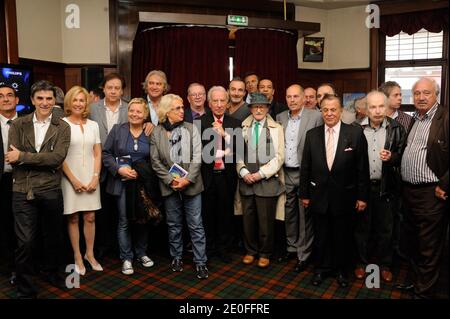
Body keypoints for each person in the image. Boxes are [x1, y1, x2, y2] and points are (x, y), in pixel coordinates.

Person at [6, 80, 71, 298]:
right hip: (22, 190)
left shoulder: (63, 126)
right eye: (40, 98)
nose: (45, 103)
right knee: (25, 242)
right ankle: (26, 287)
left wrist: (24, 156)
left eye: (49, 99)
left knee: (54, 237)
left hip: (51, 188)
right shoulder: (18, 125)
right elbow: (11, 159)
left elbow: (56, 159)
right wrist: (29, 159)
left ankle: (53, 274)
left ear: (55, 101)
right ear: (32, 100)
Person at [299, 93, 369, 288]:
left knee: (342, 235)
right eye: (325, 110)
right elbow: (306, 166)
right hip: (318, 196)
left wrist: (362, 197)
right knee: (321, 236)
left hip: (345, 195)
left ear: (341, 111)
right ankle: (321, 269)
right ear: (321, 111)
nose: (329, 114)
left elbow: (362, 168)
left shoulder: (354, 133)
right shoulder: (312, 135)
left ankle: (341, 271)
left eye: (333, 110)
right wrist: (304, 194)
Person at [397, 77, 448, 299]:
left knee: (429, 245)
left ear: (436, 94)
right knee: (413, 242)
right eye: (417, 93)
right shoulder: (414, 119)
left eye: (426, 93)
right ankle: (417, 282)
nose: (421, 97)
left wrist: (444, 184)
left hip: (432, 192)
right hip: (409, 192)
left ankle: (425, 292)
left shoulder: (444, 117)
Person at [150, 94, 208, 279]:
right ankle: (176, 257)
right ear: (167, 112)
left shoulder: (192, 129)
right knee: (173, 225)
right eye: (177, 108)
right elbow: (155, 161)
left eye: (182, 107)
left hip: (191, 185)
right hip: (170, 186)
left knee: (196, 225)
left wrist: (187, 179)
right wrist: (170, 180)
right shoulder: (157, 132)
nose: (182, 111)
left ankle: (200, 262)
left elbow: (198, 157)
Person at [353, 91, 405, 283]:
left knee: (386, 229)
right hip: (362, 188)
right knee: (361, 228)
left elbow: (402, 156)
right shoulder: (355, 129)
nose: (377, 111)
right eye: (373, 107)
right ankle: (361, 263)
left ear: (386, 107)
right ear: (366, 109)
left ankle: (385, 265)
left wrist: (392, 158)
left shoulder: (397, 128)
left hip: (386, 187)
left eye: (381, 106)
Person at [102, 98, 155, 275]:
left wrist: (142, 171)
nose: (134, 114)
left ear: (145, 114)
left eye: (139, 111)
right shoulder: (118, 130)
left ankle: (141, 253)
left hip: (143, 184)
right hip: (122, 183)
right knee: (124, 220)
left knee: (143, 218)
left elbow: (154, 158)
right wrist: (119, 170)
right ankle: (126, 257)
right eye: (132, 110)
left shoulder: (150, 132)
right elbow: (106, 153)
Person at [276, 84, 323, 272]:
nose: (292, 100)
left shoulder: (316, 117)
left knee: (306, 216)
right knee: (289, 213)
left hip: (306, 174)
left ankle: (304, 255)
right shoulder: (280, 118)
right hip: (285, 172)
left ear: (304, 98)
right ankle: (291, 247)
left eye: (296, 96)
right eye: (289, 96)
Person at [237, 92, 285, 269]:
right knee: (248, 219)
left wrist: (260, 174)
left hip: (267, 182)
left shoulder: (276, 128)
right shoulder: (242, 126)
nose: (258, 109)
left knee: (266, 221)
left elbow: (279, 157)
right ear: (250, 109)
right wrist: (243, 172)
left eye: (262, 107)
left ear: (267, 109)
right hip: (246, 182)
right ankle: (251, 251)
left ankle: (265, 253)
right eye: (255, 106)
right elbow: (238, 153)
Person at [61, 86, 103, 275]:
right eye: (75, 100)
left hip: (91, 176)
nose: (79, 103)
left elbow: (97, 152)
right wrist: (73, 180)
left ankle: (90, 254)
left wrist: (95, 177)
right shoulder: (61, 124)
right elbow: (59, 156)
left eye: (82, 100)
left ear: (87, 103)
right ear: (69, 102)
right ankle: (77, 256)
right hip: (70, 177)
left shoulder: (93, 125)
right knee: (73, 217)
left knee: (90, 217)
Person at [200, 86, 240, 262]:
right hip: (207, 176)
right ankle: (209, 248)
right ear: (209, 103)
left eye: (222, 100)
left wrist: (225, 135)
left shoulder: (234, 123)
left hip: (226, 175)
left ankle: (224, 249)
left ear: (227, 102)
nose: (218, 104)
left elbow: (240, 150)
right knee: (207, 213)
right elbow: (196, 152)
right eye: (215, 101)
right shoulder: (200, 122)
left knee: (225, 213)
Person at [0, 84, 20, 285]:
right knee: (5, 226)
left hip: (25, 180)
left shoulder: (26, 123)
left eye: (9, 95)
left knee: (25, 226)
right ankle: (11, 267)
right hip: (3, 182)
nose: (5, 99)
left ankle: (28, 265)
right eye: (1, 96)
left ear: (17, 100)